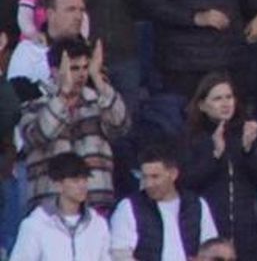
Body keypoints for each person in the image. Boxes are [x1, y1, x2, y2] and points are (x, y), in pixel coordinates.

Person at [17, 36, 129, 211]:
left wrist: (98, 79)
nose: (81, 74)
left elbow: (120, 125)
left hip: (96, 202)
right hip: (50, 205)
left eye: (85, 68)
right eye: (74, 68)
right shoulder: (33, 107)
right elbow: (38, 136)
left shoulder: (98, 101)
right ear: (54, 71)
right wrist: (62, 97)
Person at [179, 73, 257, 261]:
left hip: (249, 230)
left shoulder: (248, 132)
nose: (225, 103)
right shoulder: (191, 138)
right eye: (217, 98)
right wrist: (214, 154)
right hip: (210, 230)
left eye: (229, 97)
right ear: (202, 105)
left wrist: (248, 150)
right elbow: (187, 181)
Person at [109, 141, 219, 260]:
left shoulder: (197, 205)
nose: (149, 184)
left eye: (155, 176)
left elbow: (211, 249)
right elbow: (120, 254)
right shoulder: (129, 207)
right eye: (144, 177)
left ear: (173, 174)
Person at [11, 151, 112, 261]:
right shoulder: (36, 224)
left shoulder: (98, 224)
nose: (82, 185)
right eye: (75, 181)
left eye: (85, 180)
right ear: (58, 185)